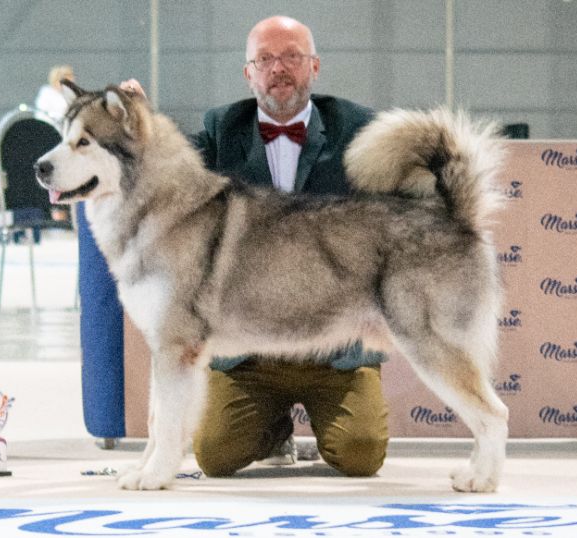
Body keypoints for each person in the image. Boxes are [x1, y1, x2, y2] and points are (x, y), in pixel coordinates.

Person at [123, 15, 388, 479]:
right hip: (249, 352)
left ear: (315, 67)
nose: (278, 68)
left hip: (333, 344)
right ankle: (273, 429)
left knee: (361, 454)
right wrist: (141, 123)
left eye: (291, 56)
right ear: (248, 73)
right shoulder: (223, 127)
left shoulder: (360, 127)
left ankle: (323, 421)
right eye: (264, 59)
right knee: (216, 456)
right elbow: (171, 169)